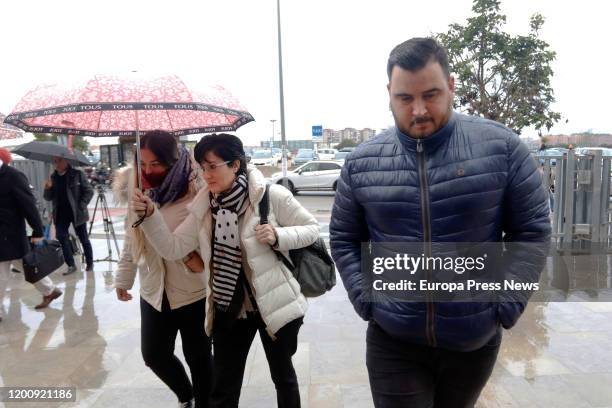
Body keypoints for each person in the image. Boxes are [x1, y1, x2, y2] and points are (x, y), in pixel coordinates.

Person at [329, 37, 551, 408]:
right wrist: (366, 297)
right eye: (404, 98)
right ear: (389, 93)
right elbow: (344, 237)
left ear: (451, 86)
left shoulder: (503, 148)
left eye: (430, 94)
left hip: (472, 339)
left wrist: (507, 301)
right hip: (393, 339)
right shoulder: (362, 162)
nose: (418, 110)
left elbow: (532, 231)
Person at [131, 133, 319, 408]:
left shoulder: (270, 196)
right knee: (224, 388)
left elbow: (311, 230)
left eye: (213, 166)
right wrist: (150, 217)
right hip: (230, 308)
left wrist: (278, 236)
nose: (206, 175)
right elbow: (172, 248)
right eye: (202, 167)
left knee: (283, 378)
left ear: (236, 165)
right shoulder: (204, 208)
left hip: (275, 304)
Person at [114, 130, 211, 408]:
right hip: (153, 289)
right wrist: (124, 277)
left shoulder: (196, 190)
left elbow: (208, 240)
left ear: (173, 160)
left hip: (192, 290)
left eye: (155, 164)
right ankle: (185, 394)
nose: (148, 170)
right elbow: (132, 237)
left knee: (200, 359)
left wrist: (203, 265)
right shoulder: (139, 191)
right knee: (154, 355)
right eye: (142, 164)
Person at [0, 147, 62, 319]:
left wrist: (37, 230)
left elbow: (29, 205)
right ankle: (50, 290)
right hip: (5, 237)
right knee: (24, 264)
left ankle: (50, 290)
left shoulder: (13, 176)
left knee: (2, 272)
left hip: (8, 234)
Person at [43, 155, 94, 274]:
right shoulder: (53, 177)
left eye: (59, 161)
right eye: (54, 161)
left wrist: (81, 205)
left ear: (66, 161)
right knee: (61, 236)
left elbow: (89, 191)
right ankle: (71, 264)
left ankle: (90, 263)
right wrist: (47, 188)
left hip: (77, 213)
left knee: (83, 239)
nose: (57, 164)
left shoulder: (77, 174)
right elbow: (48, 197)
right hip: (61, 213)